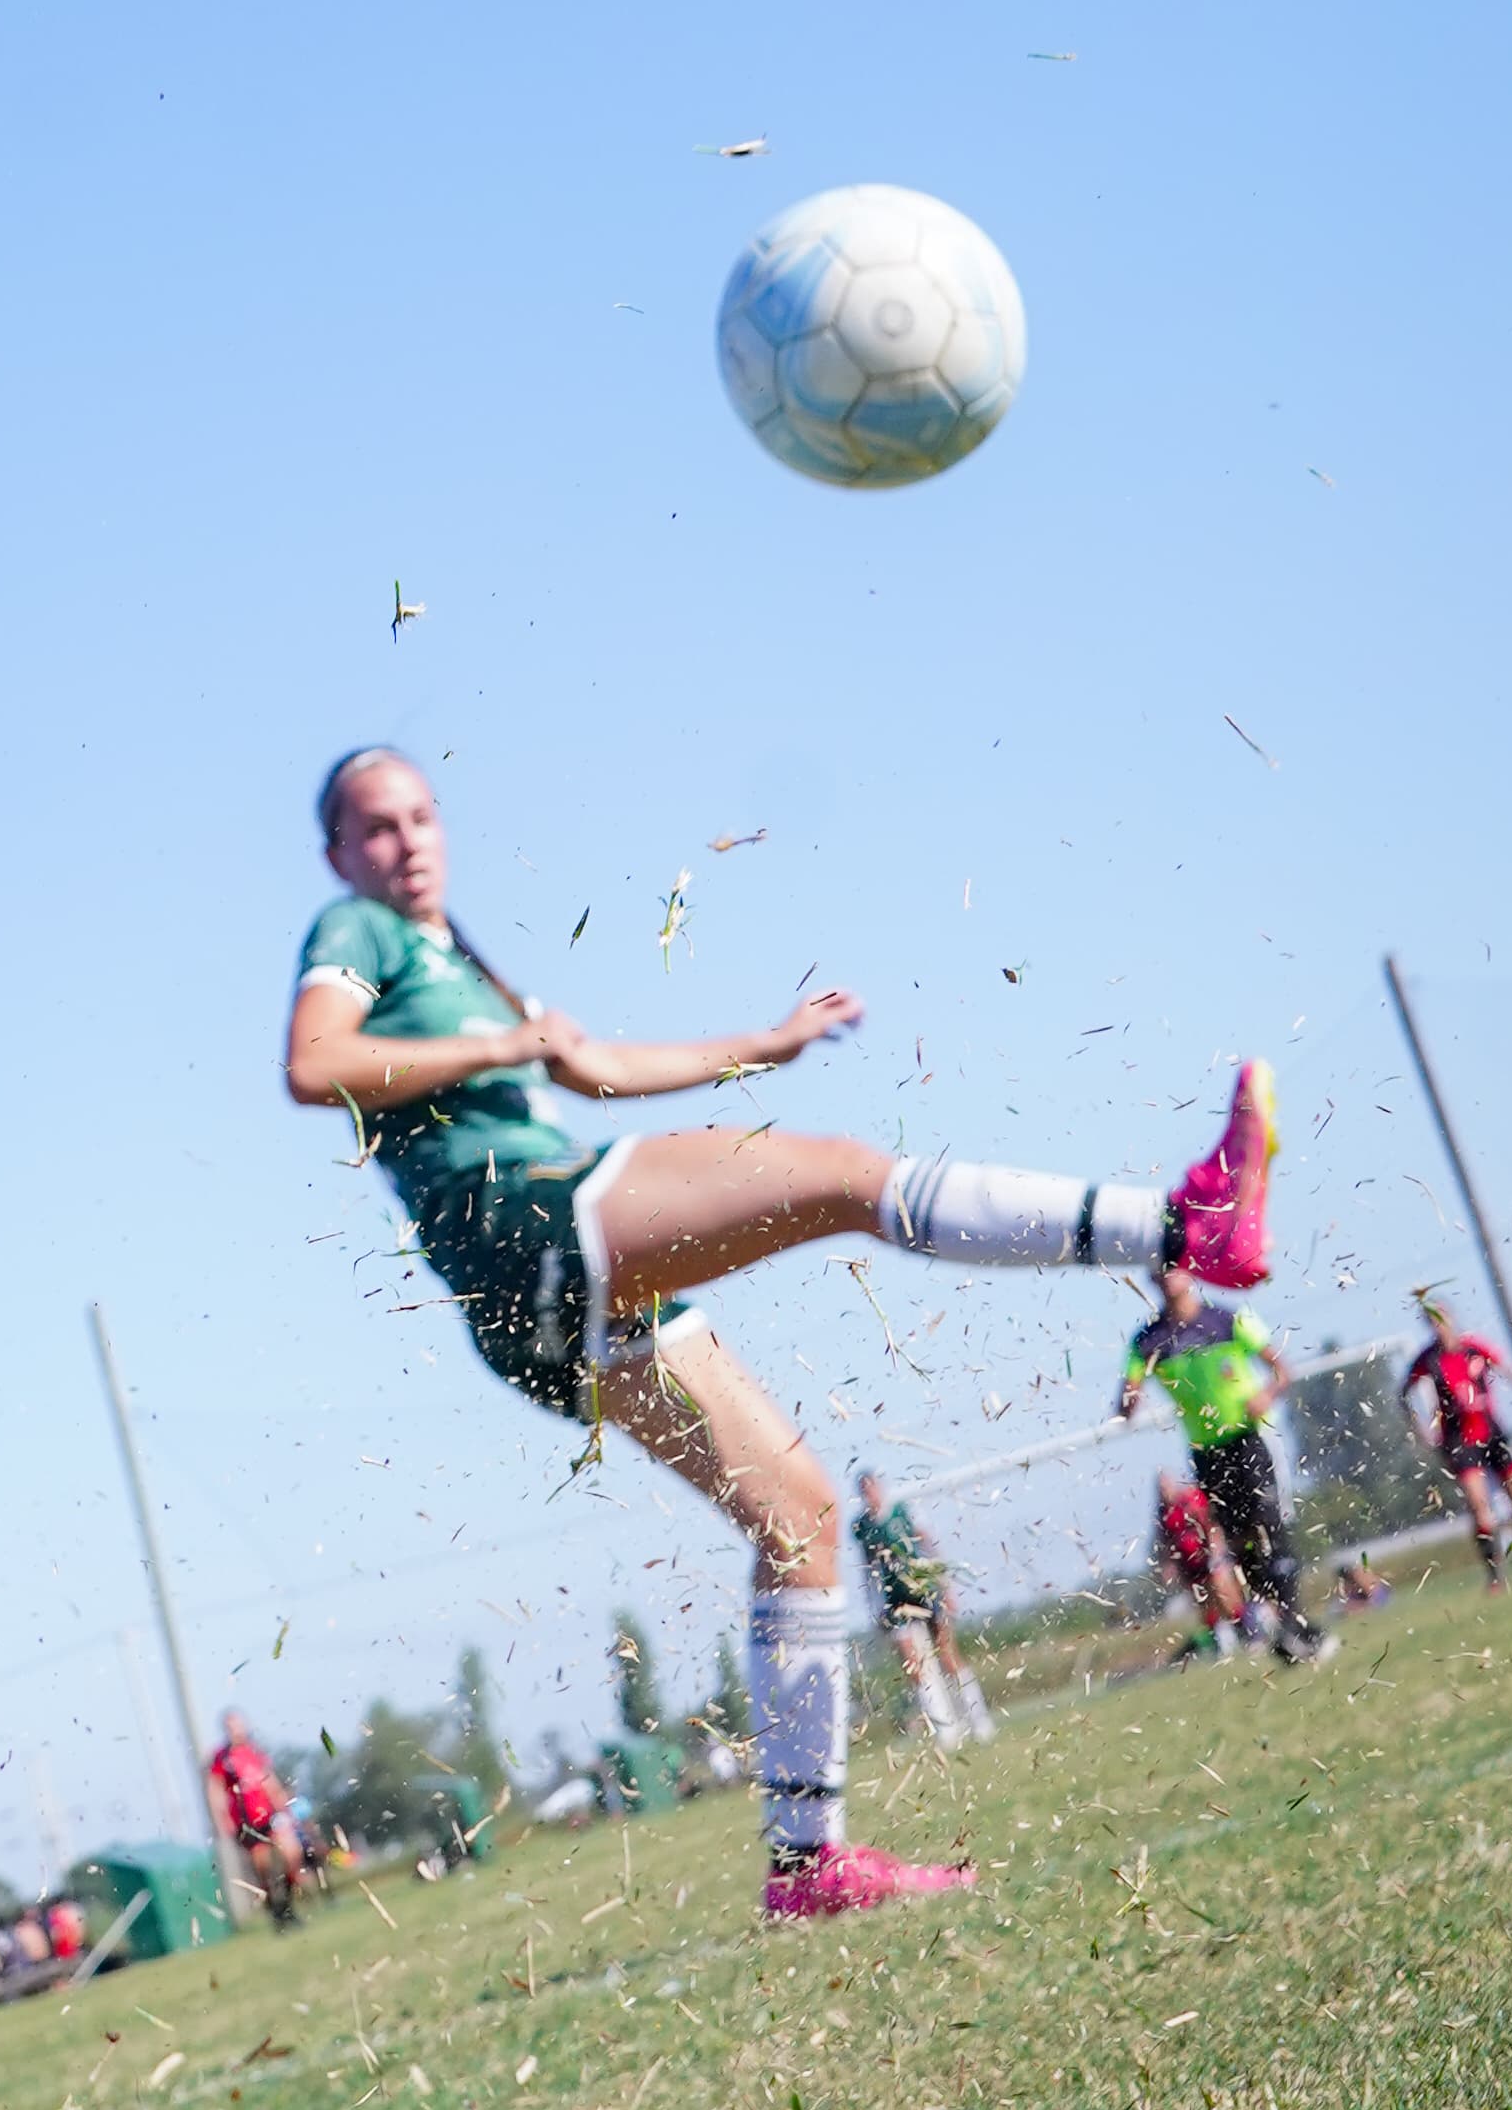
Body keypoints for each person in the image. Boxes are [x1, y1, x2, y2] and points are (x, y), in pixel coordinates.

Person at [285, 749, 1275, 1921]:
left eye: (421, 815)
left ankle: (808, 1866)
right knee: (843, 1177)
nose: (407, 840)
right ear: (337, 855)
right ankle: (1185, 1226)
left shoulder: (457, 957)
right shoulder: (356, 927)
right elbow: (314, 1063)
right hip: (518, 1222)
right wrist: (492, 1049)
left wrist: (765, 1044)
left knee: (800, 1519)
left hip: (531, 1305)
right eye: (377, 827)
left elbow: (593, 1067)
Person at [1114, 1267, 1329, 1663]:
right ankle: (1282, 1628)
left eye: (1174, 1267)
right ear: (1152, 1280)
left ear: (1190, 1271)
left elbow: (1281, 1370)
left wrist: (1266, 1395)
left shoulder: (1228, 1319)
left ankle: (1294, 1623)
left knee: (1269, 1526)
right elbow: (1126, 1400)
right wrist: (1129, 1399)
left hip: (1249, 1439)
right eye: (1161, 1270)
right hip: (1206, 1454)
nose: (1169, 1276)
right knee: (1240, 1542)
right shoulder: (1148, 1340)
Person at [1399, 1290, 1512, 1592]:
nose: (1438, 1326)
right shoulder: (1428, 1360)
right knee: (1479, 1508)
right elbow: (1404, 1394)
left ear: (1450, 1317)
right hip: (1459, 1441)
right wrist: (1420, 1429)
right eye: (1431, 1321)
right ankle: (1496, 1577)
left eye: (1440, 1319)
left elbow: (1508, 1370)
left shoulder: (1473, 1346)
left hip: (1492, 1432)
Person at [849, 1473, 992, 1750]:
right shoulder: (861, 1526)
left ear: (880, 1487)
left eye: (873, 1488)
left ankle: (979, 1720)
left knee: (947, 1654)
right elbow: (868, 1569)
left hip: (923, 1588)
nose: (870, 1495)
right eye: (865, 1491)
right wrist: (874, 1608)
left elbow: (929, 1544)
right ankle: (946, 1729)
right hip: (895, 1599)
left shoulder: (902, 1511)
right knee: (914, 1666)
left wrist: (945, 1586)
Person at [209, 1707, 312, 1916]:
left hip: (269, 1813)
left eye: (237, 1725)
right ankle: (279, 1911)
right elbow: (215, 1790)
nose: (235, 1730)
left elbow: (269, 1780)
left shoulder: (254, 1751)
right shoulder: (222, 1758)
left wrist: (283, 1805)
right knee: (264, 1869)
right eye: (230, 1727)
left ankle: (289, 1898)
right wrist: (222, 1821)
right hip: (246, 1821)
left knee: (291, 1853)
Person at [1152, 1467, 1242, 1657]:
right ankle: (1221, 1641)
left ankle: (1247, 1629)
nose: (1164, 1492)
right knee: (1204, 1604)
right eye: (1161, 1489)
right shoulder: (1163, 1514)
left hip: (1206, 1558)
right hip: (1187, 1566)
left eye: (1166, 1487)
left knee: (1223, 1595)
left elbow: (1210, 1524)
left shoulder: (1188, 1500)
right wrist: (1167, 1565)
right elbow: (1165, 1542)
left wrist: (1215, 1551)